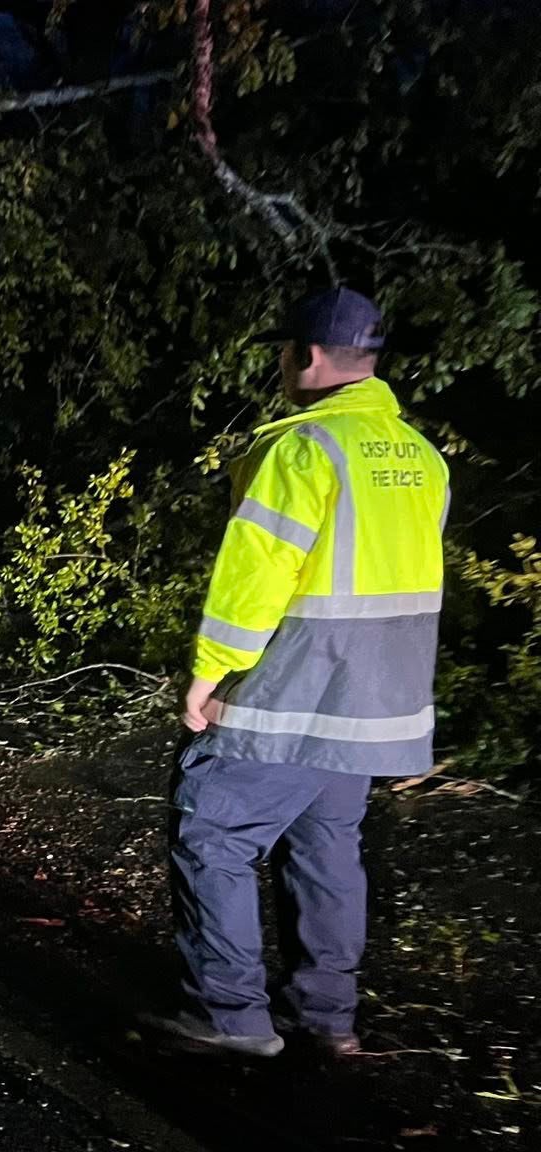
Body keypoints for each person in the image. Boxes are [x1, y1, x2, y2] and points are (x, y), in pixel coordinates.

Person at [147, 286, 448, 1058]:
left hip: (299, 687)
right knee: (326, 846)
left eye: (284, 351)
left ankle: (230, 1015)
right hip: (377, 699)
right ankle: (326, 1016)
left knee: (213, 827)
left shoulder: (303, 448)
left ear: (307, 356)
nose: (282, 363)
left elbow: (260, 573)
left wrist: (213, 671)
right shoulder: (422, 458)